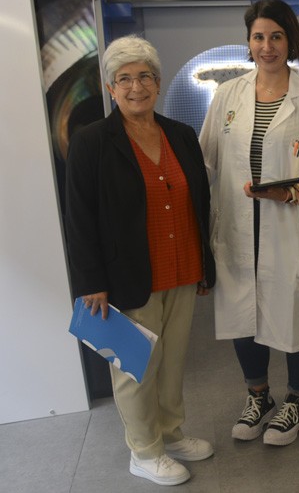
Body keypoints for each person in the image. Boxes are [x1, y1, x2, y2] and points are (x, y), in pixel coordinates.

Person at [66, 35, 216, 486]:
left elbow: (199, 203)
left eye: (145, 76)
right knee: (136, 367)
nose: (136, 87)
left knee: (172, 363)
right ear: (111, 88)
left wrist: (205, 266)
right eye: (125, 79)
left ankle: (170, 433)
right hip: (127, 275)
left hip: (182, 266)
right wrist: (91, 279)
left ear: (158, 81)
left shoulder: (181, 134)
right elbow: (79, 215)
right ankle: (144, 451)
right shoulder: (92, 141)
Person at [200, 0, 299, 447]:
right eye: (259, 37)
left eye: (276, 36)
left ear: (290, 42)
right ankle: (257, 397)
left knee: (296, 314)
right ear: (249, 42)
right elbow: (206, 160)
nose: (267, 46)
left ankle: (296, 402)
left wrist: (293, 190)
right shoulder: (228, 96)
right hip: (240, 228)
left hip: (289, 225)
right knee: (245, 314)